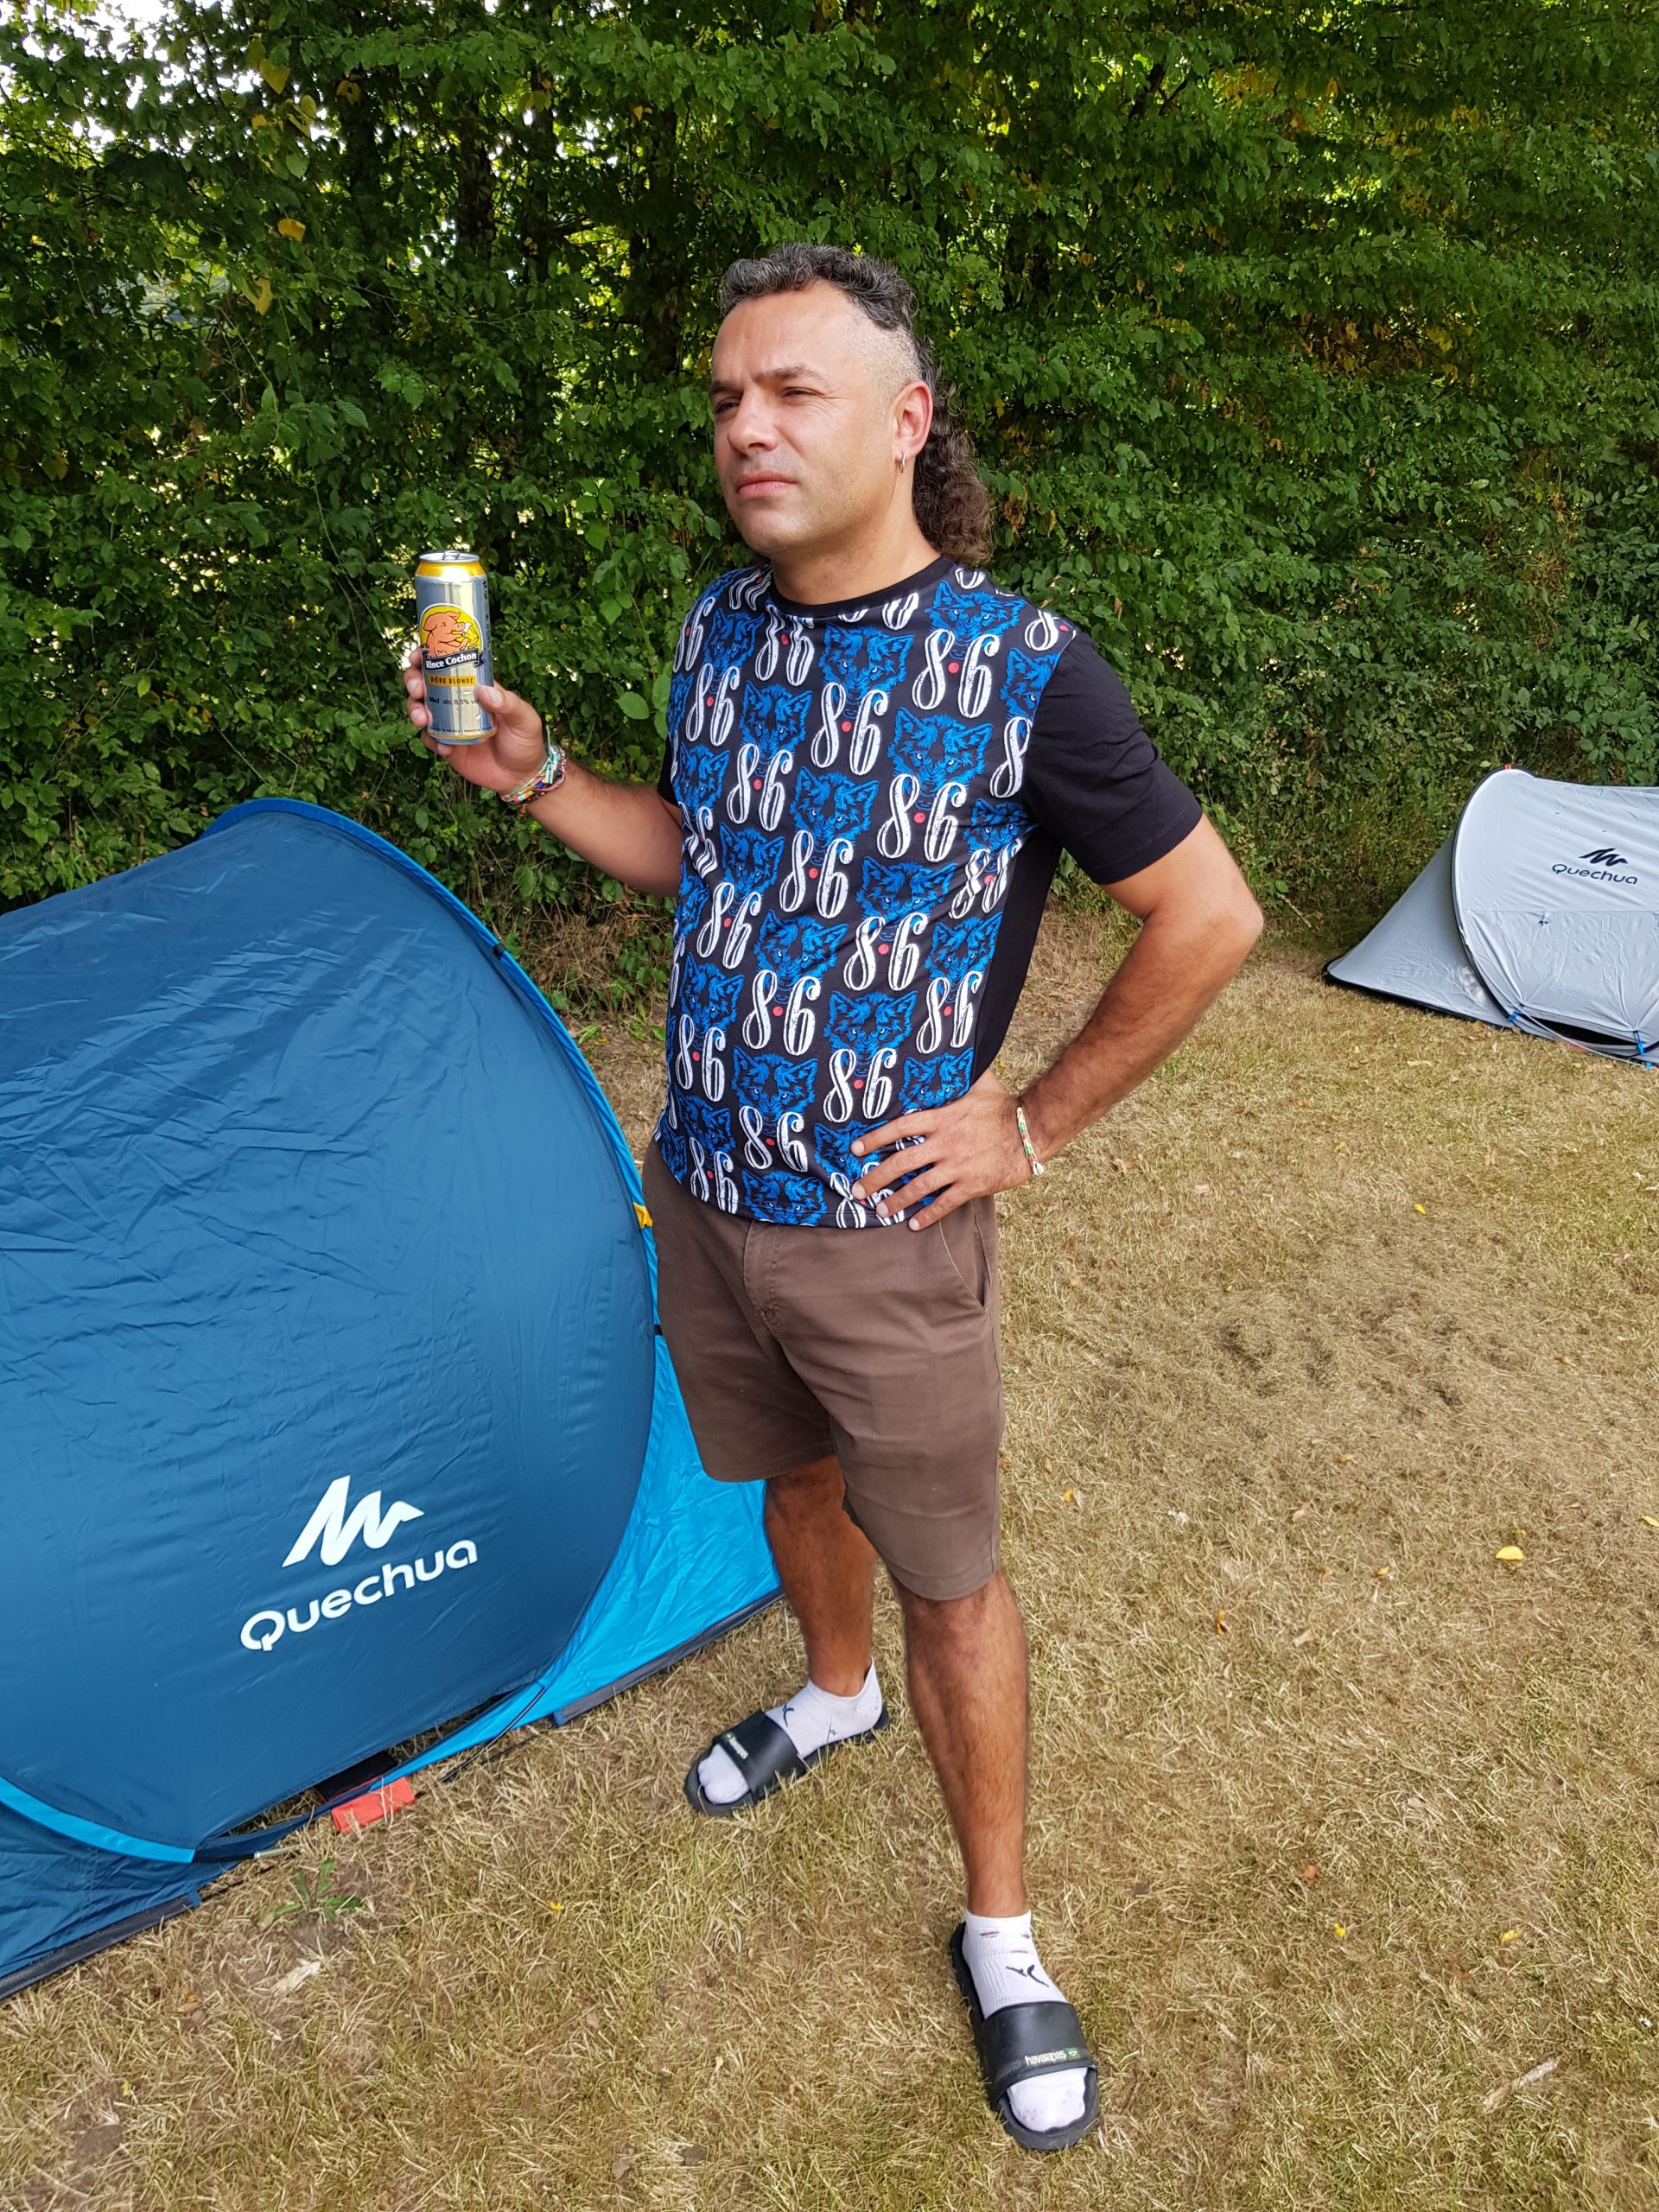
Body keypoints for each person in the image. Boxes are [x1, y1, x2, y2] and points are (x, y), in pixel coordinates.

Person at [406, 243, 1262, 2154]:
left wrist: (1029, 1124)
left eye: (793, 390)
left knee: (951, 1574)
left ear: (905, 419)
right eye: (727, 395)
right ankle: (830, 1688)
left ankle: (1003, 1931)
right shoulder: (721, 627)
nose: (748, 426)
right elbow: (694, 852)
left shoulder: (1024, 668)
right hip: (708, 1190)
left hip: (886, 1231)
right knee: (790, 1480)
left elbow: (1209, 915)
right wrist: (532, 775)